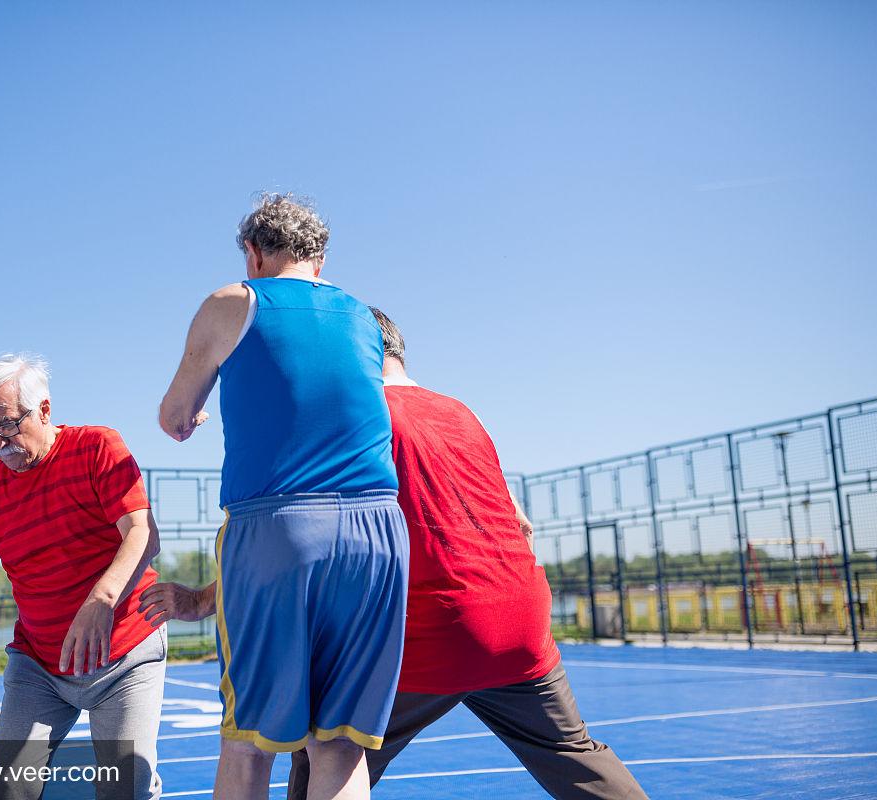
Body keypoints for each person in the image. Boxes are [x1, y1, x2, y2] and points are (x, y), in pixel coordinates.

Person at [143, 310, 648, 800]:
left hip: (430, 626)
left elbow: (301, 539)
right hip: (519, 615)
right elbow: (520, 521)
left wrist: (203, 601)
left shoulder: (359, 415)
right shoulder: (460, 412)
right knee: (575, 754)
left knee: (328, 750)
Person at [156, 194, 409, 800]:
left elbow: (173, 415)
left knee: (247, 743)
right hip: (378, 530)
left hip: (280, 525)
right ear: (319, 261)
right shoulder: (362, 316)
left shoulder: (235, 301)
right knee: (342, 744)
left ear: (253, 251)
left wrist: (192, 415)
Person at [0, 353, 166, 800]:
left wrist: (100, 601)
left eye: (6, 425)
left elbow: (143, 534)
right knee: (8, 791)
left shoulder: (98, 446)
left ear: (43, 409)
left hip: (125, 652)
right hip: (40, 666)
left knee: (125, 792)